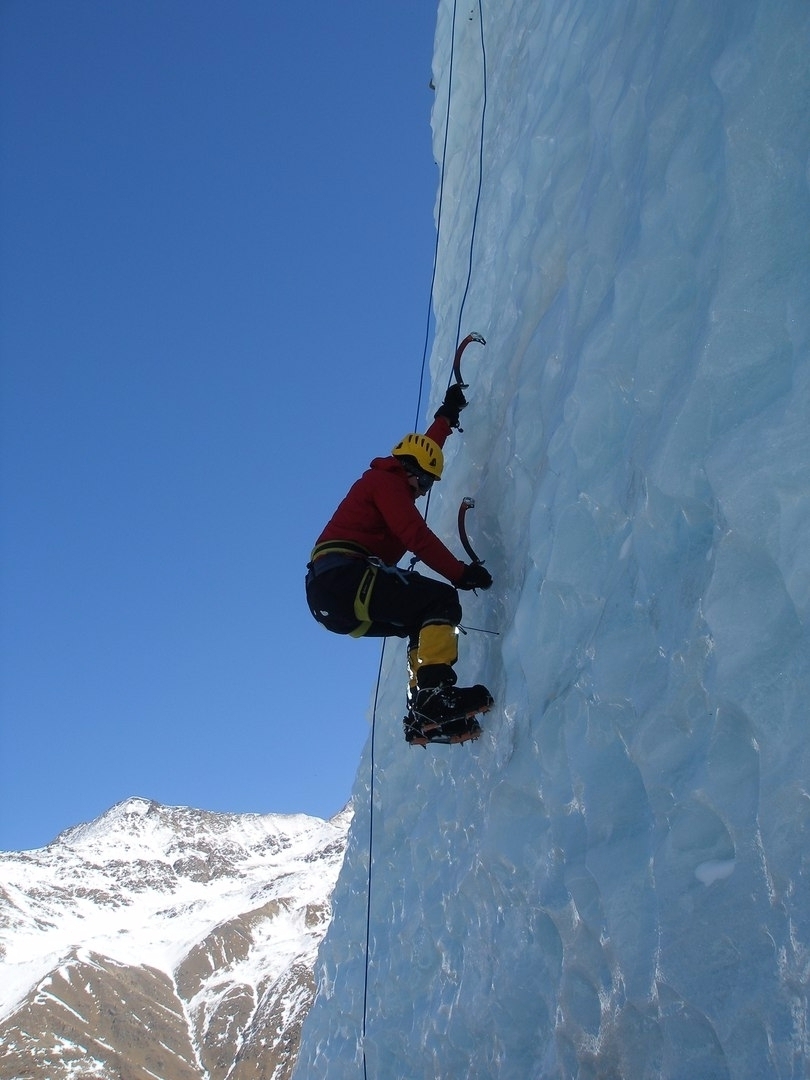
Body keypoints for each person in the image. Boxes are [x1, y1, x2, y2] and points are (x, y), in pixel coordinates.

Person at [305, 383, 493, 744]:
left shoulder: (398, 475)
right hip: (342, 577)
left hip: (333, 599)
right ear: (407, 468)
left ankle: (422, 710)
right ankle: (436, 697)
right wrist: (460, 573)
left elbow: (424, 450)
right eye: (422, 480)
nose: (423, 489)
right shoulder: (385, 481)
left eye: (429, 483)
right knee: (439, 601)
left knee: (421, 623)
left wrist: (446, 417)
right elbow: (415, 536)